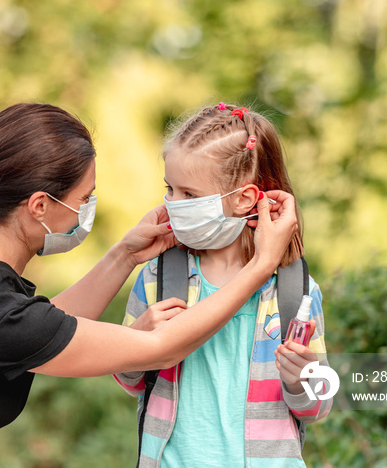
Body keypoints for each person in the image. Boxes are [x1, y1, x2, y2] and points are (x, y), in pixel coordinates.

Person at [0, 103, 297, 467]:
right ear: (40, 206)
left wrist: (123, 254)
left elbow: (41, 329)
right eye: (84, 198)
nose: (89, 208)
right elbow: (160, 350)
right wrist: (262, 266)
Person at [114, 103, 331, 467]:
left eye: (190, 195)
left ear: (244, 198)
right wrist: (136, 341)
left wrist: (300, 381)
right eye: (170, 189)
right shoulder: (159, 277)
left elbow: (317, 407)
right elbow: (131, 381)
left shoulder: (296, 291)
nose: (172, 204)